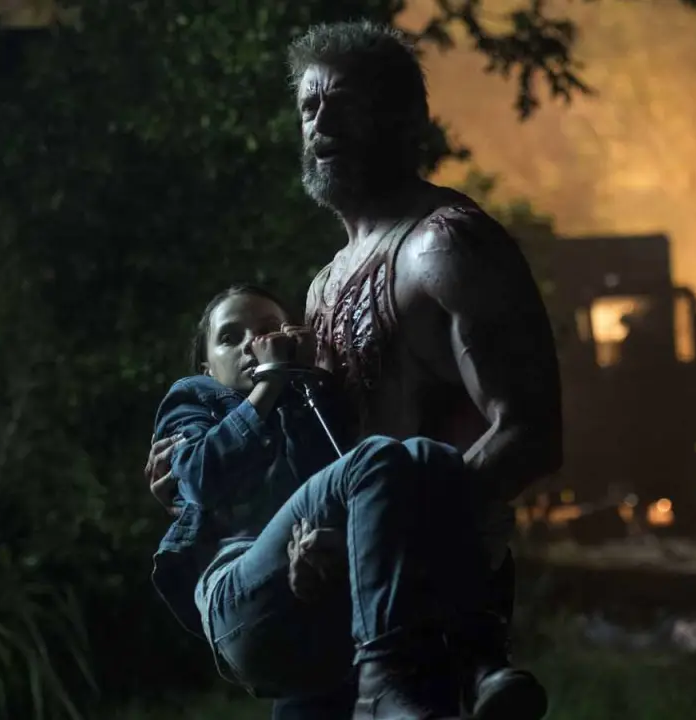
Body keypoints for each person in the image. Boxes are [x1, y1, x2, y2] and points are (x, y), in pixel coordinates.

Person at [146, 19, 563, 719]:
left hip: (424, 607)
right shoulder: (321, 289)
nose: (321, 122)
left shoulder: (445, 248)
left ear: (401, 119)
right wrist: (204, 486)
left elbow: (531, 434)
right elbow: (319, 460)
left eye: (343, 102)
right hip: (327, 597)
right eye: (309, 107)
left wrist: (379, 538)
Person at [152, 284, 498, 719]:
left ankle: (481, 658)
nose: (251, 344)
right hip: (236, 591)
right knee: (375, 456)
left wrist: (321, 545)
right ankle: (385, 677)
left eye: (267, 331)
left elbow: (338, 494)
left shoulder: (309, 403)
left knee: (432, 457)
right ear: (207, 366)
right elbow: (200, 479)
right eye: (230, 337)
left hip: (318, 605)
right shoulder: (196, 398)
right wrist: (268, 382)